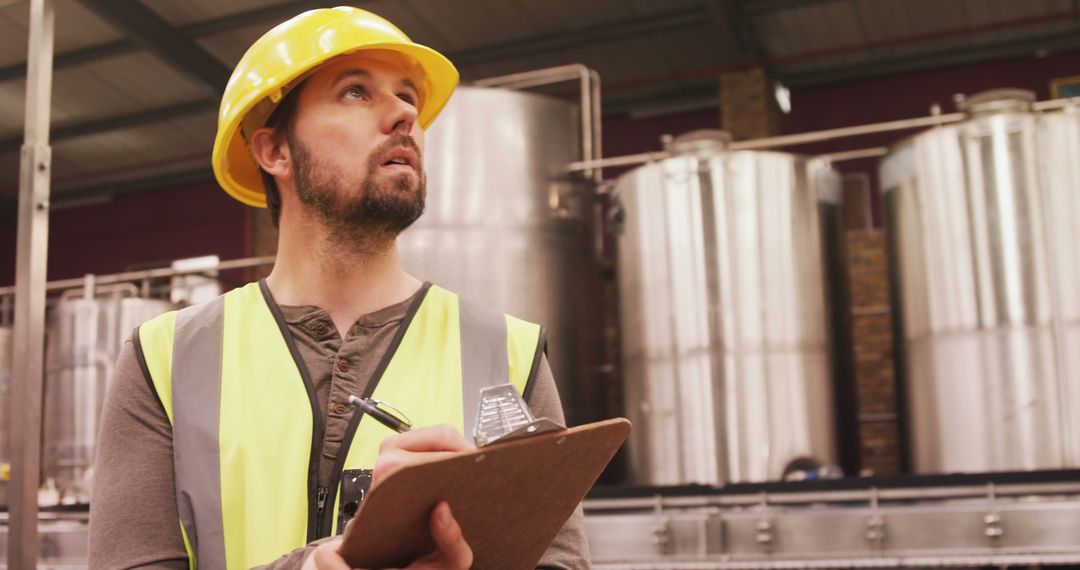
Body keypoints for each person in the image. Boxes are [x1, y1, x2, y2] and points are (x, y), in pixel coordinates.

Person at [88, 7, 590, 570]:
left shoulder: (509, 351)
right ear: (274, 151)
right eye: (356, 92)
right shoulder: (165, 358)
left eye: (408, 98)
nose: (403, 113)